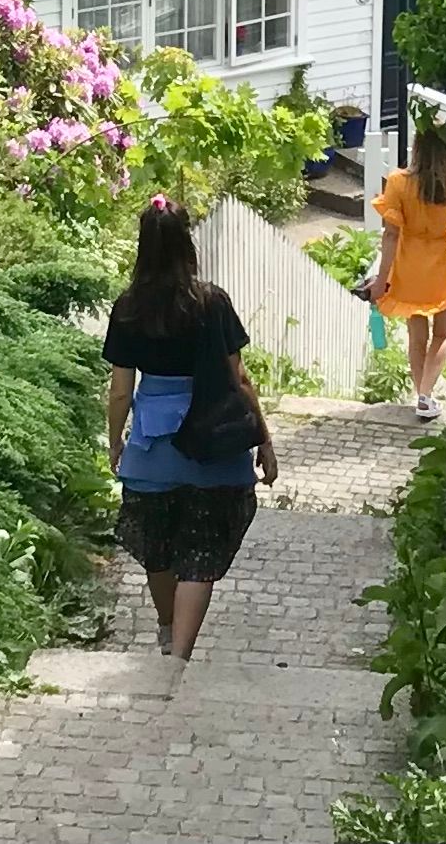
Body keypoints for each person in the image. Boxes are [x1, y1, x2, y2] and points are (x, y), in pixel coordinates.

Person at [102, 198, 280, 661]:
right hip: (213, 444)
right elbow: (239, 379)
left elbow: (121, 390)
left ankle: (165, 631)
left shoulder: (127, 308)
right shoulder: (211, 302)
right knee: (199, 554)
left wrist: (115, 442)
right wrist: (264, 440)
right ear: (187, 243)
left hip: (152, 449)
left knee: (158, 549)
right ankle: (180, 656)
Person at [362, 121, 446, 420]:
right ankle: (425, 394)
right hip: (445, 265)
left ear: (417, 147)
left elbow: (391, 235)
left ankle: (421, 395)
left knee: (416, 333)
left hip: (409, 265)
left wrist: (382, 280)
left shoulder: (397, 181)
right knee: (444, 334)